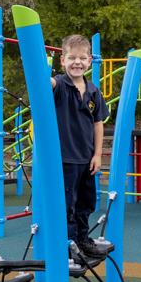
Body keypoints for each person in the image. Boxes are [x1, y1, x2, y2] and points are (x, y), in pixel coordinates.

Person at [49, 34, 109, 260]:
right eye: (71, 57)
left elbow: (98, 123)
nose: (77, 62)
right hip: (65, 159)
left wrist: (97, 154)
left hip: (86, 158)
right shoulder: (59, 85)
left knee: (85, 203)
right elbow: (46, 83)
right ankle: (69, 245)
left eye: (82, 58)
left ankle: (83, 240)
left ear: (90, 60)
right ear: (62, 60)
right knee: (67, 205)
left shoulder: (94, 91)